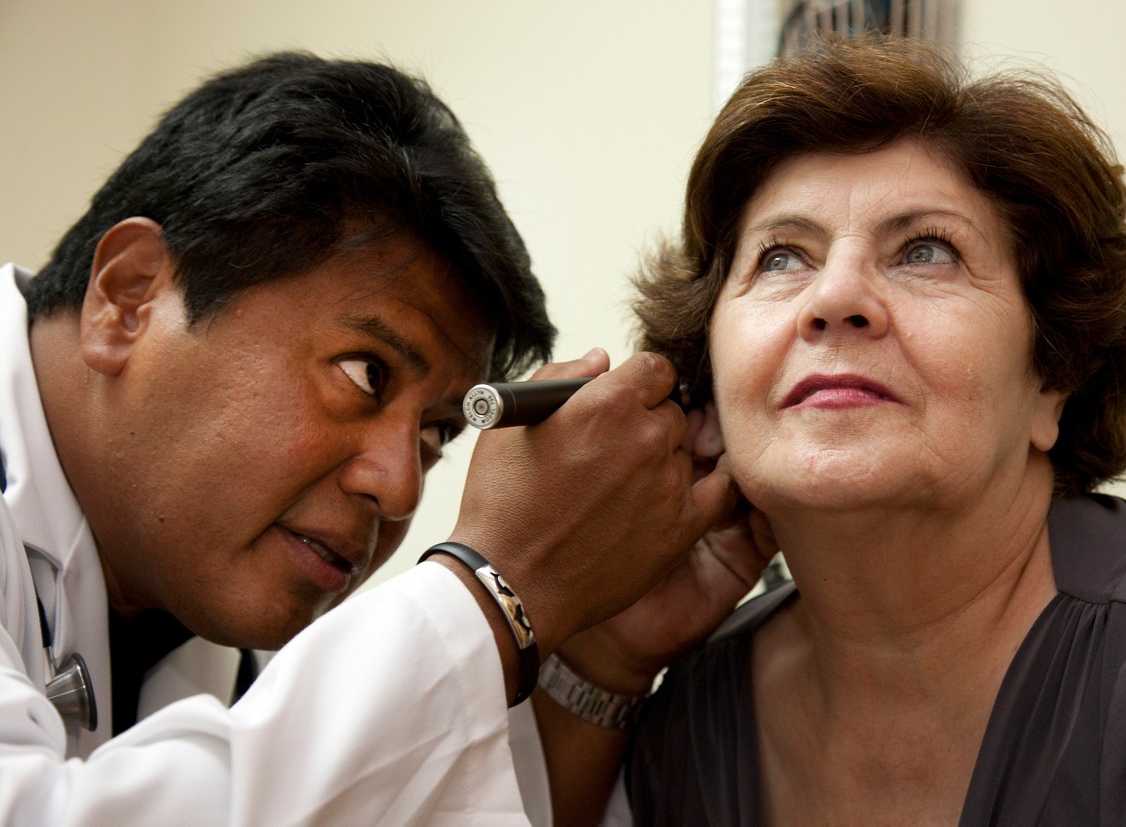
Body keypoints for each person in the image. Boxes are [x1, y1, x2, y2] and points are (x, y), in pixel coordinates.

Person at [532, 35, 1126, 825]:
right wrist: (606, 660)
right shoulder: (688, 708)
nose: (836, 295)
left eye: (926, 251)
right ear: (706, 387)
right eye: (782, 257)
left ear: (1056, 376)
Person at [0, 51, 764, 823]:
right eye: (366, 373)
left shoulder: (226, 631)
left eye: (436, 437)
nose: (400, 488)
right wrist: (493, 590)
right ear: (128, 300)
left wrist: (601, 660)